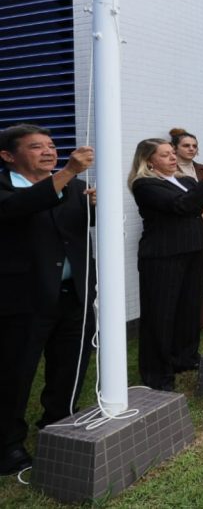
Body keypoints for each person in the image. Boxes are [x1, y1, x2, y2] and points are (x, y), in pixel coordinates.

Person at [0, 126, 95, 475]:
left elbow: (75, 230)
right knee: (15, 372)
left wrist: (95, 207)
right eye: (36, 147)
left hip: (73, 295)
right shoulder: (7, 188)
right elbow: (21, 208)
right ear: (8, 157)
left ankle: (58, 423)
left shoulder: (74, 188)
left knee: (69, 366)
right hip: (23, 299)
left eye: (52, 146)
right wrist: (68, 171)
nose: (48, 152)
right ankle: (7, 444)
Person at [129, 138, 203, 390]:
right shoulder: (145, 184)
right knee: (160, 314)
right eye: (165, 155)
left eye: (173, 153)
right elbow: (182, 206)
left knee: (187, 308)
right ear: (149, 160)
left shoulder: (184, 180)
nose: (173, 158)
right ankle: (157, 373)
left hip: (192, 250)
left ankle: (184, 357)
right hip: (163, 255)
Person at [170, 128, 203, 330]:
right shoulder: (168, 170)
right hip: (176, 229)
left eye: (194, 146)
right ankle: (179, 319)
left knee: (198, 276)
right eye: (186, 145)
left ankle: (200, 318)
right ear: (174, 148)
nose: (191, 149)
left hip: (201, 229)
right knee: (176, 277)